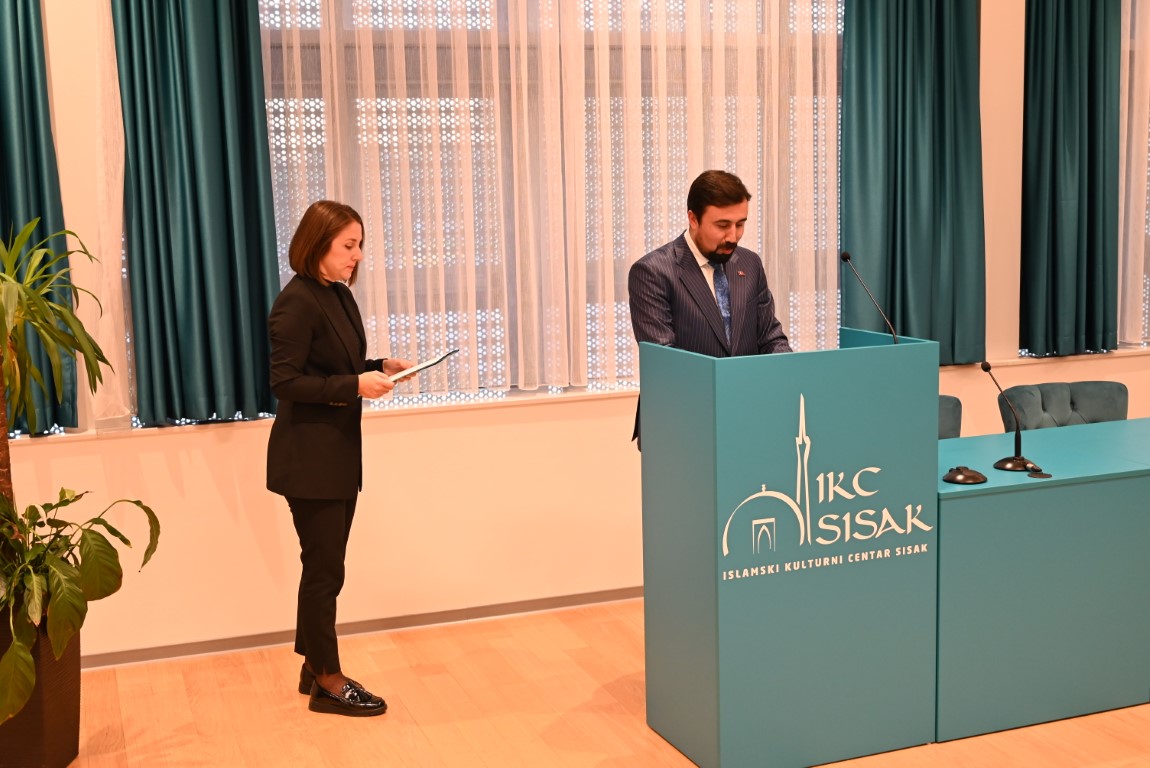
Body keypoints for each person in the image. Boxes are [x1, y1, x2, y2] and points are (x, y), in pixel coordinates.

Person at [266, 200, 414, 717]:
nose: (357, 255)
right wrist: (354, 385)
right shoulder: (295, 303)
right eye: (348, 245)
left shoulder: (337, 295)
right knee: (324, 571)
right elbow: (285, 382)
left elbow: (334, 365)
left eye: (359, 245)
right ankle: (328, 681)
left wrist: (379, 366)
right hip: (308, 461)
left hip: (337, 456)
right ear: (318, 244)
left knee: (325, 567)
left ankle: (313, 667)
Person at [628, 170, 792, 443]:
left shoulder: (749, 264)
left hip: (749, 417)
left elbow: (770, 337)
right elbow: (667, 362)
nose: (733, 236)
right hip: (681, 423)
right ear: (693, 218)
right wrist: (731, 392)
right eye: (722, 225)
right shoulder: (653, 271)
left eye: (740, 224)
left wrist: (791, 376)